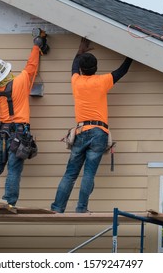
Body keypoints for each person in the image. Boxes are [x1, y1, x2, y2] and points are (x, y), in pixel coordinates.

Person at [51, 38, 133, 213]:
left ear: (81, 69)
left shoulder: (76, 81)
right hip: (99, 133)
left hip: (81, 132)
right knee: (88, 174)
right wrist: (131, 54)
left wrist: (80, 50)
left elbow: (74, 66)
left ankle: (57, 208)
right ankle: (81, 208)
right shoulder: (102, 81)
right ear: (96, 68)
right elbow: (122, 70)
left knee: (70, 174)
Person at [0, 35, 47, 206]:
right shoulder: (20, 82)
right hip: (18, 134)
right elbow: (31, 67)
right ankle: (9, 202)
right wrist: (37, 46)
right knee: (14, 170)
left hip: (0, 134)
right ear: (7, 72)